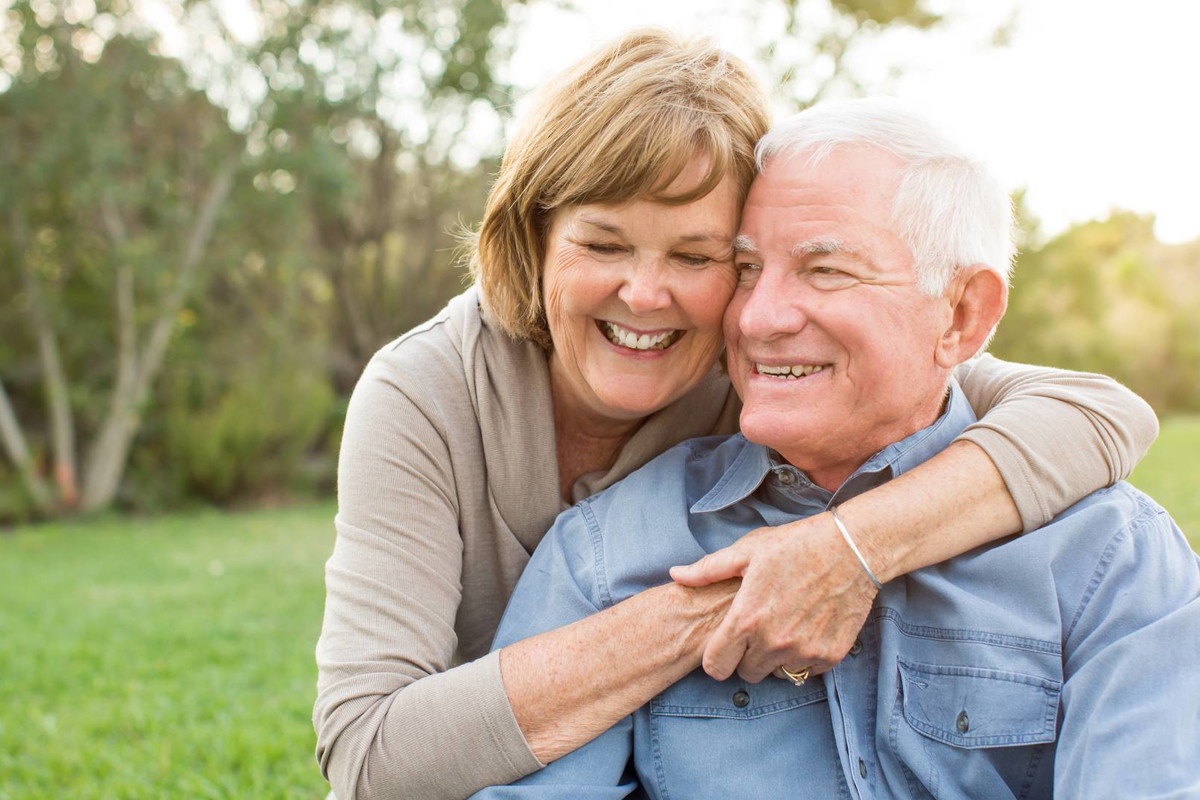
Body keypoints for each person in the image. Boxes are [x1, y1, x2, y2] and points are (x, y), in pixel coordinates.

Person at [313, 31, 1161, 800]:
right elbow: (369, 758)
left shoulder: (772, 363)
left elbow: (1094, 410)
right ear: (534, 240)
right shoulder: (436, 400)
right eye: (603, 244)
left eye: (702, 256)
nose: (647, 295)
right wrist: (733, 599)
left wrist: (846, 549)